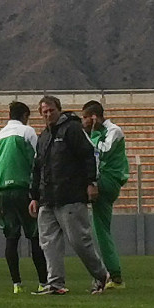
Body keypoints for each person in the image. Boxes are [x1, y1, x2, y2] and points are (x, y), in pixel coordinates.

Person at [29, 96, 109, 295]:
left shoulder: (71, 130)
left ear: (59, 110)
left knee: (79, 241)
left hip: (70, 195)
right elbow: (38, 168)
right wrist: (34, 196)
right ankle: (55, 282)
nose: (48, 115)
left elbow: (87, 155)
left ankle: (101, 275)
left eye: (51, 111)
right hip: (48, 198)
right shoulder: (44, 137)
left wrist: (91, 182)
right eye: (44, 112)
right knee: (48, 242)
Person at [0, 102, 48, 294]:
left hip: (3, 192)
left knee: (11, 237)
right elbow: (37, 159)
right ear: (25, 115)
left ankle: (16, 284)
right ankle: (43, 281)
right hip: (23, 189)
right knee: (34, 236)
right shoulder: (27, 131)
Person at [82, 100, 130, 289]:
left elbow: (102, 151)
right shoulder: (99, 132)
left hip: (108, 181)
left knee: (99, 229)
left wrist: (92, 134)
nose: (83, 121)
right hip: (106, 180)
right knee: (101, 230)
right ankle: (114, 273)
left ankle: (104, 273)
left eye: (85, 117)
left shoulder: (113, 131)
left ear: (94, 117)